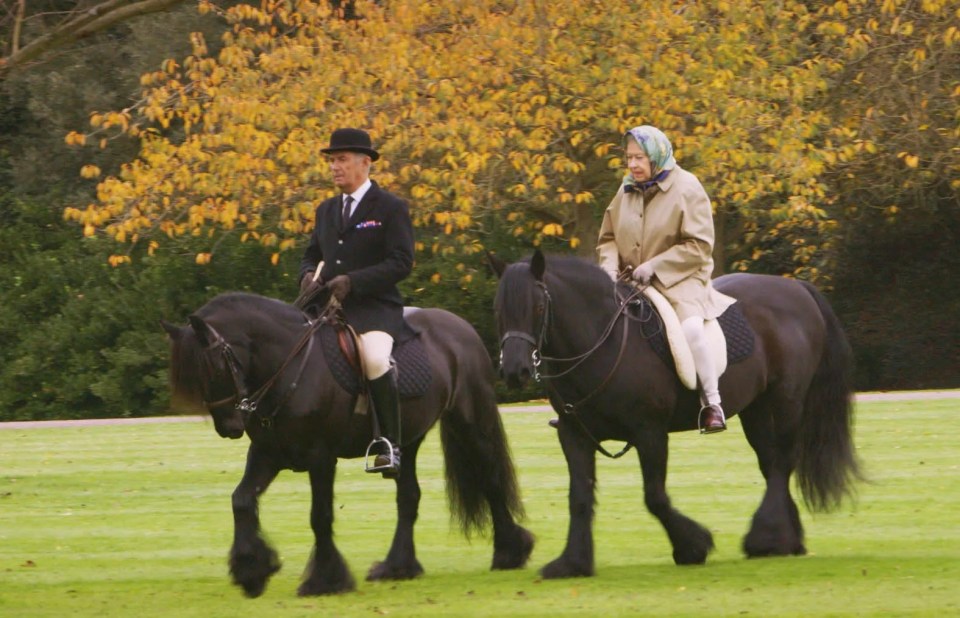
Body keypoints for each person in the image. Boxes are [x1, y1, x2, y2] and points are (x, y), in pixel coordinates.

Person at [596, 125, 735, 433]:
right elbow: (607, 238)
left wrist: (656, 266)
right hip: (631, 282)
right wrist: (607, 268)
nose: (633, 164)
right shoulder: (625, 191)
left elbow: (699, 246)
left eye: (640, 157)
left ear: (657, 155)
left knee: (692, 331)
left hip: (682, 280)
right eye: (629, 158)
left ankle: (712, 404)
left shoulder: (688, 187)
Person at [299, 128, 414, 475]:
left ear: (365, 163)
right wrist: (306, 275)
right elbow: (311, 254)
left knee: (376, 359)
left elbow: (401, 262)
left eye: (342, 160)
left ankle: (389, 445)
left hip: (374, 310)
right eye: (332, 161)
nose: (335, 167)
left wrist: (354, 281)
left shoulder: (391, 208)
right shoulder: (326, 210)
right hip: (326, 310)